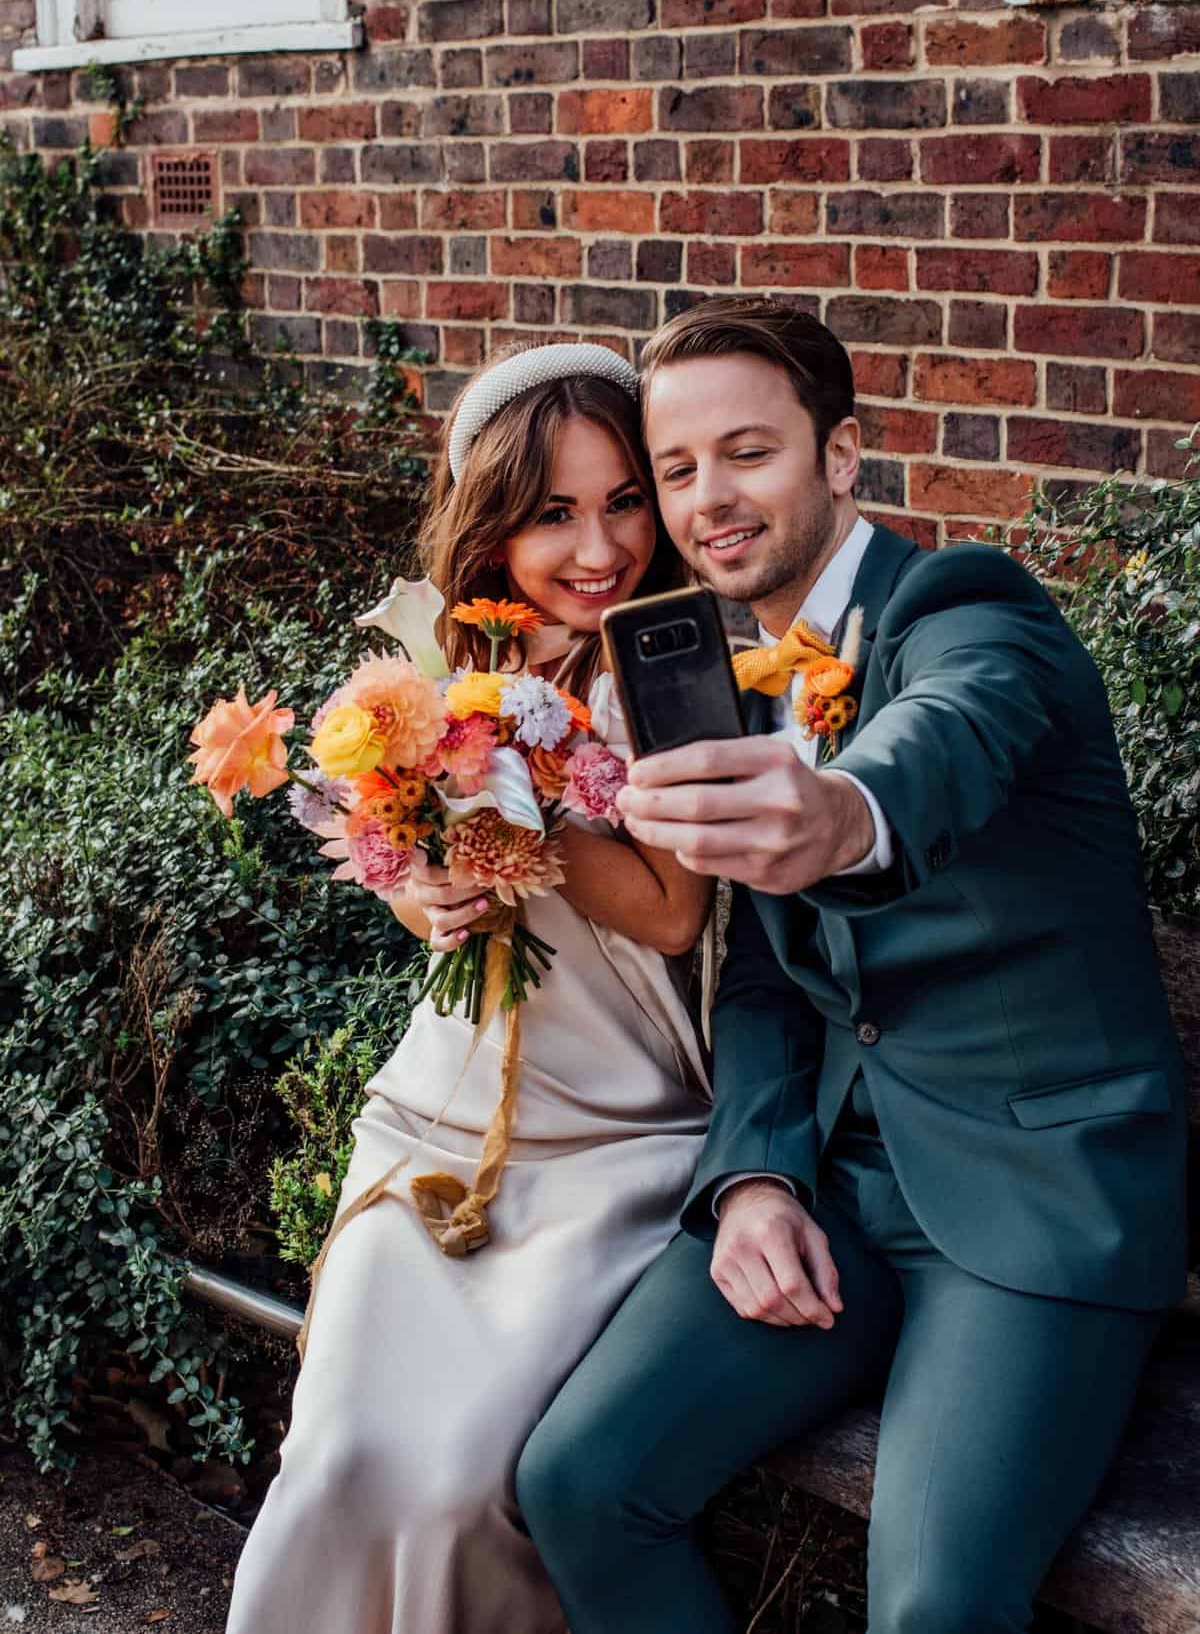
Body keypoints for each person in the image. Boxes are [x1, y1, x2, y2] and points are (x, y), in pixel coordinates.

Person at [517, 297, 1189, 1634]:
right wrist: (758, 1175)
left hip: (1032, 1197)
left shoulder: (966, 605)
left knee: (934, 1606)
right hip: (833, 1187)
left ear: (841, 454)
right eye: (681, 469)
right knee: (580, 1481)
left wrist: (836, 817)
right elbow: (771, 978)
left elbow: (948, 732)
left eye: (748, 452)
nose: (710, 499)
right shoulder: (718, 664)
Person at [226, 344, 713, 1634]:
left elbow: (672, 910)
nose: (599, 546)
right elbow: (401, 863)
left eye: (624, 501)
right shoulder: (434, 666)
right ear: (492, 524)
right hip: (437, 1119)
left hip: (616, 1146)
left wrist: (517, 795)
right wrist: (420, 874)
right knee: (336, 1463)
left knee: (455, 1488)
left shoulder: (667, 670)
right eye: (554, 513)